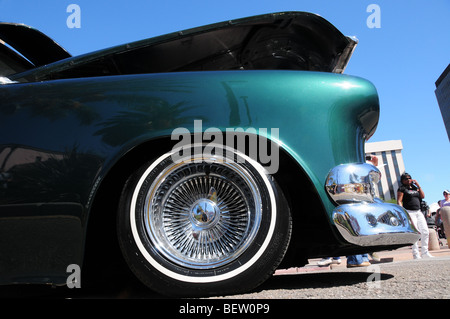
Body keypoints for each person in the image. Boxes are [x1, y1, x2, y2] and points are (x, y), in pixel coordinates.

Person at [397, 173, 434, 259]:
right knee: (416, 232)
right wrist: (403, 213)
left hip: (418, 211)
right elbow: (399, 201)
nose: (408, 180)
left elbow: (422, 196)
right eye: (406, 179)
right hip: (409, 212)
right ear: (402, 180)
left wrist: (418, 185)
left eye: (409, 178)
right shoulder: (402, 188)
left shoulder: (415, 188)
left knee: (425, 231)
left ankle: (425, 252)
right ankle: (416, 254)